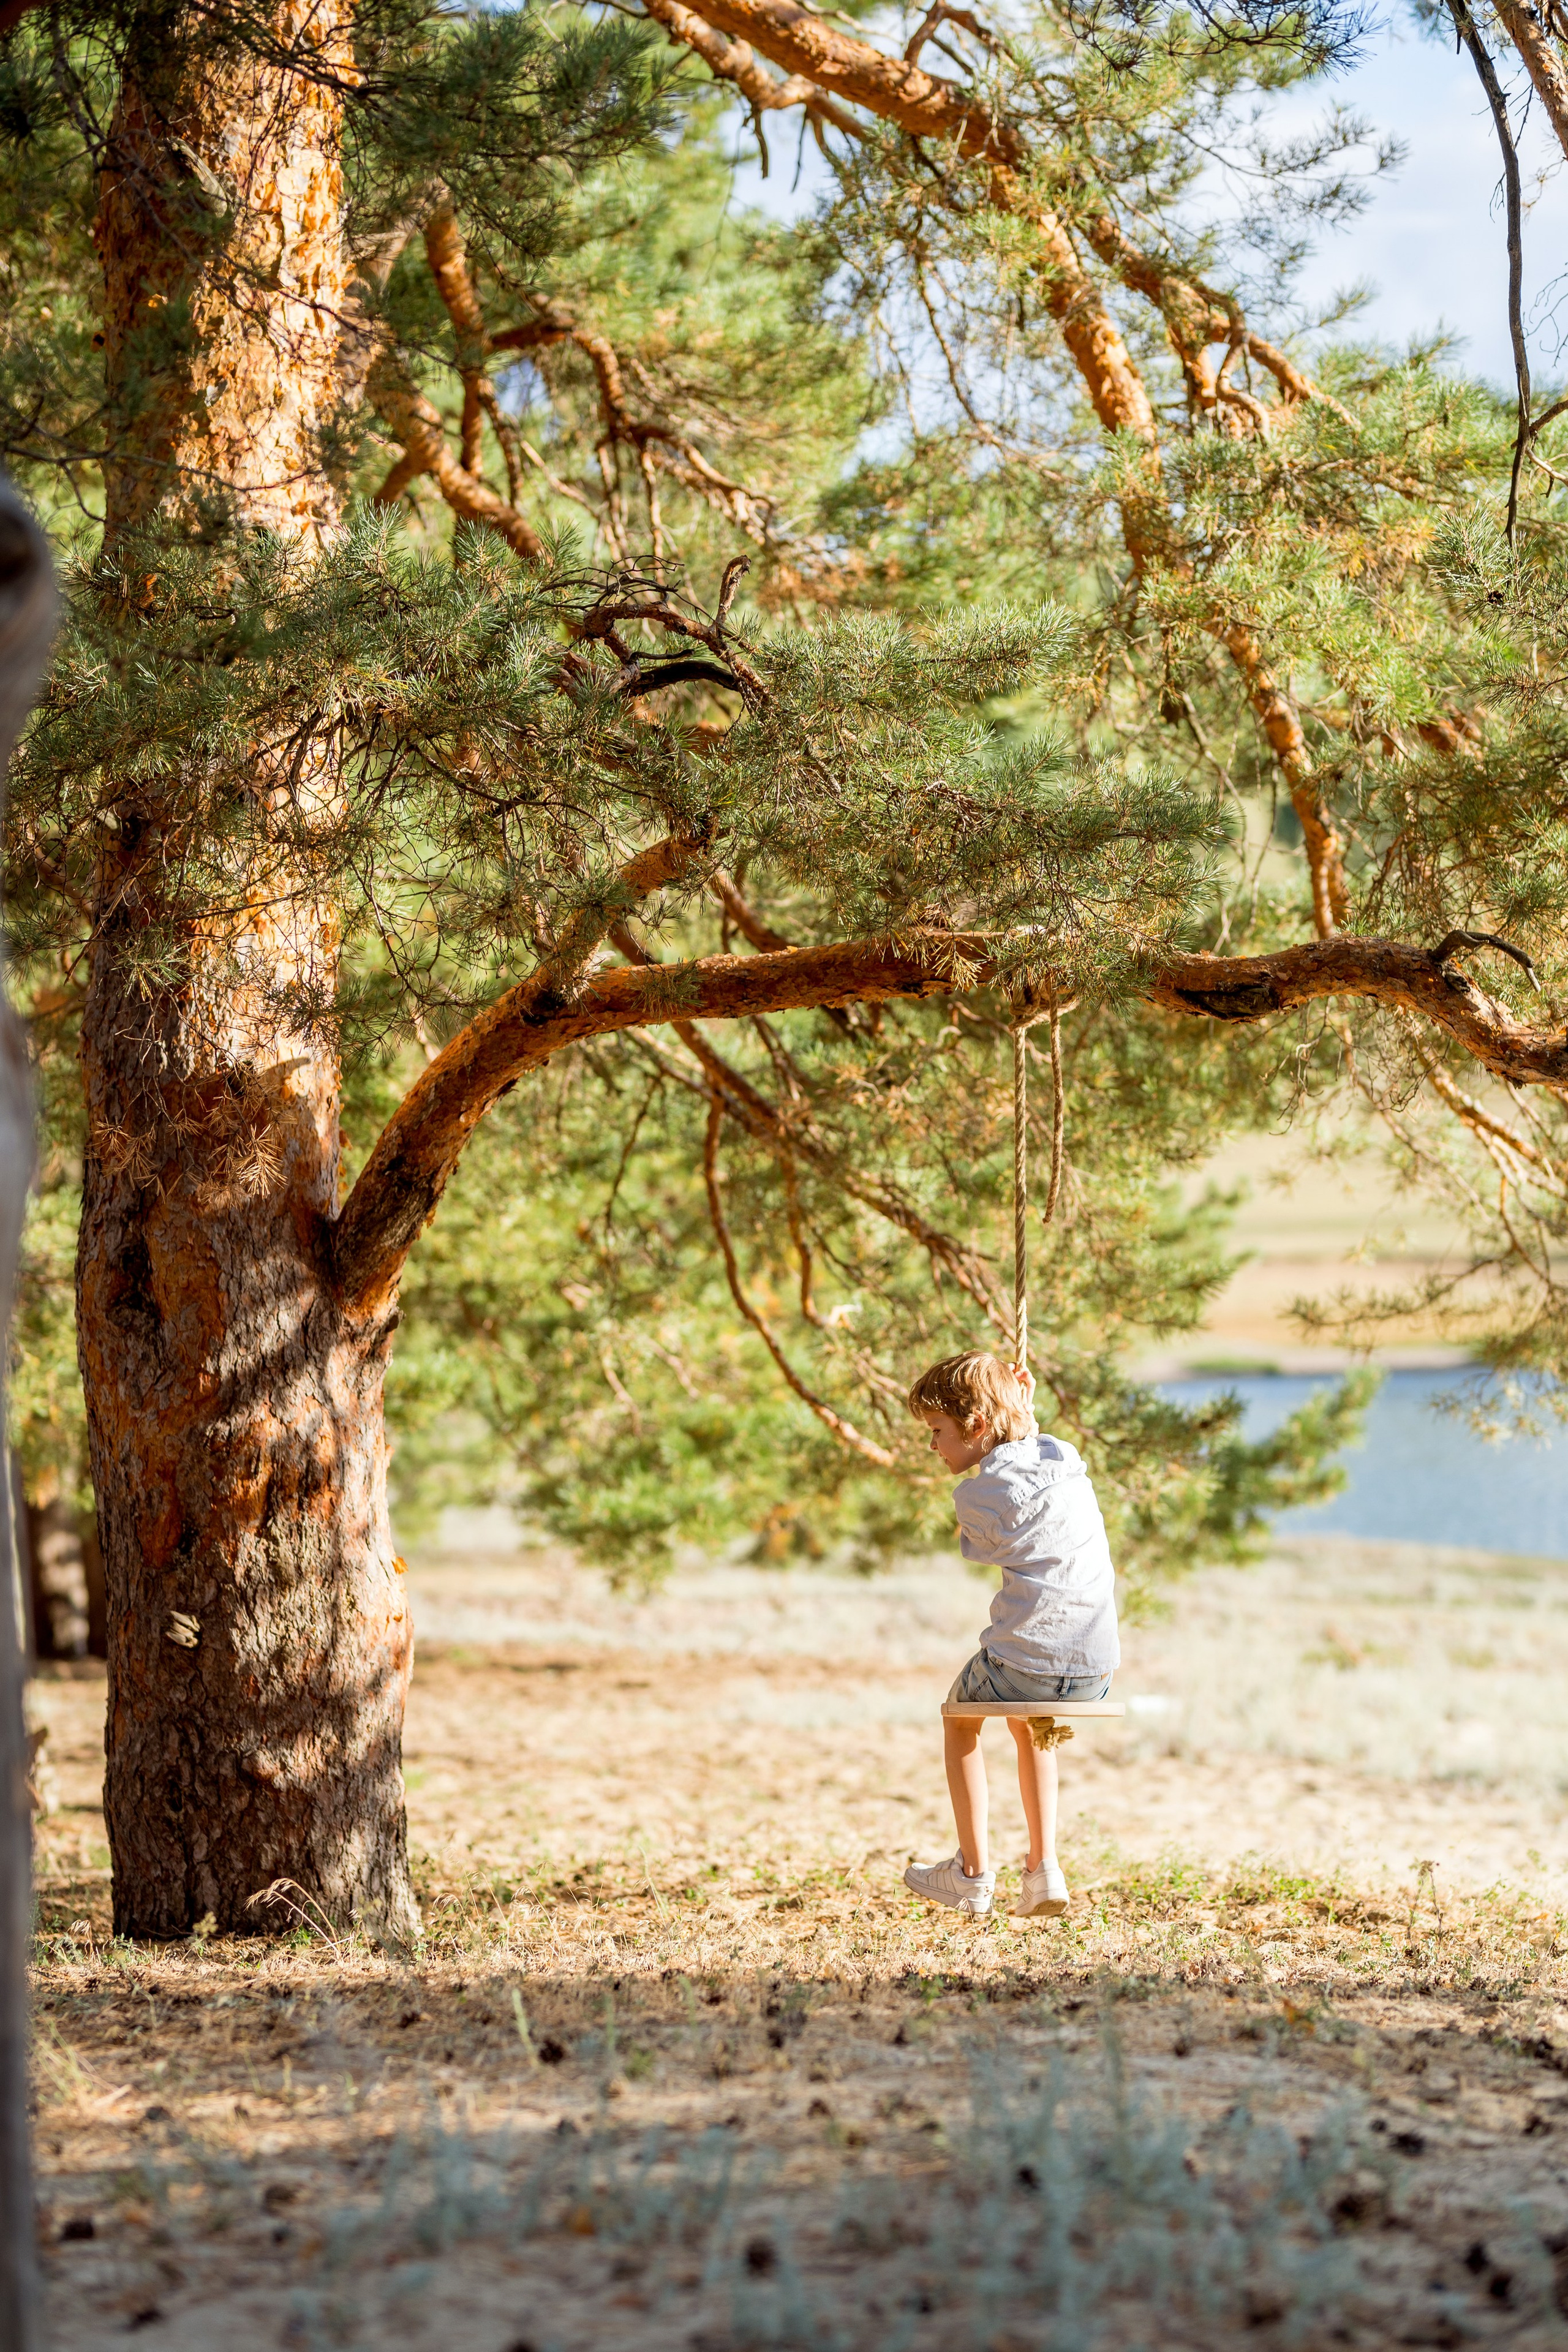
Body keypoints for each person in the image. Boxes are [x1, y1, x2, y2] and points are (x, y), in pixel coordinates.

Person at [903, 1351, 1118, 1921]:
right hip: (1096, 1670)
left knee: (960, 1717)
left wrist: (1012, 1420)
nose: (933, 1446)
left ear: (976, 1425)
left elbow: (983, 1547)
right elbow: (1032, 1456)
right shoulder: (1065, 1460)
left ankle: (971, 1875)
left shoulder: (979, 1496)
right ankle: (1043, 1867)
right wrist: (1022, 1417)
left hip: (1030, 1663)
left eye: (938, 1431)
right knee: (1031, 1725)